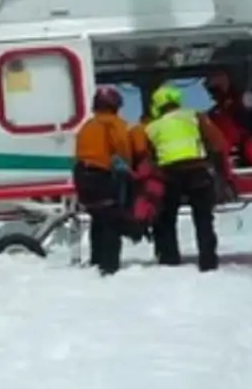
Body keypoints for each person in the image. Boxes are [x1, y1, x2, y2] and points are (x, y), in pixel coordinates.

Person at [145, 84, 232, 272]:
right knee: (203, 218)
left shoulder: (151, 127)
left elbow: (147, 156)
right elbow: (219, 143)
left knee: (166, 219)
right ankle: (208, 261)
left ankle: (169, 259)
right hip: (197, 171)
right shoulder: (195, 117)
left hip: (169, 176)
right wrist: (221, 171)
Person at [72, 85, 136, 275]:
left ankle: (96, 259)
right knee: (111, 219)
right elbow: (122, 148)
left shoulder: (87, 126)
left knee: (97, 217)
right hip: (100, 175)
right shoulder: (114, 123)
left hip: (81, 175)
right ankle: (109, 267)